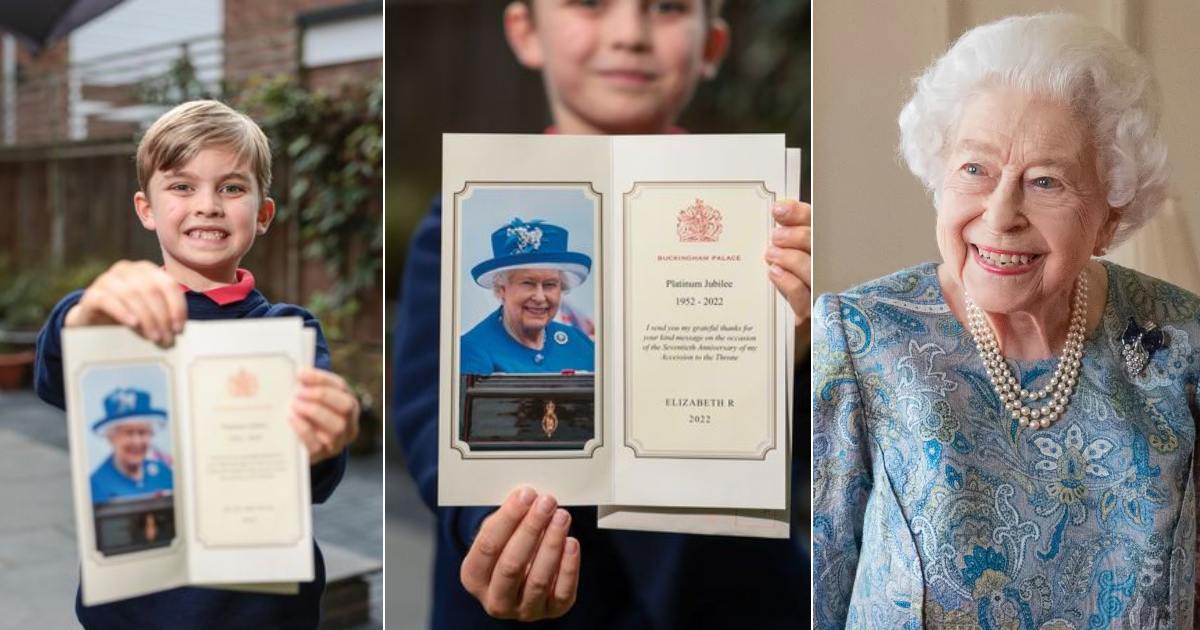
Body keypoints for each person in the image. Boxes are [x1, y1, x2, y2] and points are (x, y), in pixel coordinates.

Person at [394, 0, 812, 626]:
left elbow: (829, 457)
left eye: (668, 8)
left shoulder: (774, 224)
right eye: (589, 4)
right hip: (531, 600)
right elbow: (433, 416)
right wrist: (494, 530)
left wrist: (800, 352)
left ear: (711, 47)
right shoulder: (461, 222)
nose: (629, 34)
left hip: (727, 591)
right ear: (525, 31)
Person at [812, 14, 1195, 628]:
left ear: (1108, 214)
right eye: (975, 170)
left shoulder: (1181, 343)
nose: (1001, 213)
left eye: (1046, 181)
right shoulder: (863, 336)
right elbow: (820, 586)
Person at [34, 100, 361, 629]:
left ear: (262, 214)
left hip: (261, 610)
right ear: (146, 208)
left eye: (231, 188)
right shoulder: (116, 318)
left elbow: (316, 481)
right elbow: (54, 378)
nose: (207, 205)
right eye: (182, 187)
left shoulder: (290, 332)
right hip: (131, 610)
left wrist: (328, 434)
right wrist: (84, 314)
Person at [461, 218, 594, 375]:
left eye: (549, 285)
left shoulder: (580, 344)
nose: (539, 297)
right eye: (528, 283)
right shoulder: (472, 350)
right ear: (502, 289)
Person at [89, 387, 173, 504]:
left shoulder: (163, 473)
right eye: (128, 433)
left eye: (142, 432)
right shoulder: (97, 485)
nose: (137, 442)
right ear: (111, 438)